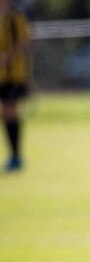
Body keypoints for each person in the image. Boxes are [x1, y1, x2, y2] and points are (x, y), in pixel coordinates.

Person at [0, 0, 30, 172]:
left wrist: (7, 58)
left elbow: (24, 42)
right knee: (5, 113)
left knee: (10, 111)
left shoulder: (15, 16)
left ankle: (16, 156)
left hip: (13, 75)